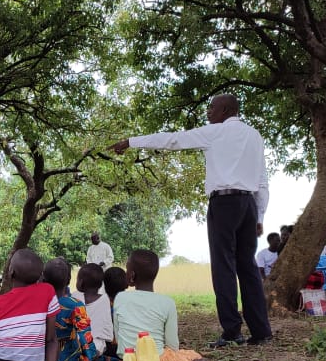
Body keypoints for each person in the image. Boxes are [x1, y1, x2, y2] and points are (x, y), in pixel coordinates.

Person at [111, 93, 272, 347]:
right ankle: (261, 331)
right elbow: (262, 180)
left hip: (223, 203)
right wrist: (260, 214)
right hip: (248, 204)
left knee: (224, 267)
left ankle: (232, 331)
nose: (208, 112)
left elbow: (173, 139)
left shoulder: (215, 132)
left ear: (225, 110)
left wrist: (131, 141)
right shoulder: (255, 136)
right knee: (248, 267)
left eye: (212, 107)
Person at [113, 249, 218, 361]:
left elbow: (118, 336)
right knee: (198, 359)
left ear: (131, 275)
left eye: (127, 269)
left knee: (163, 359)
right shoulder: (167, 302)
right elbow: (173, 345)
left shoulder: (120, 298)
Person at [44, 258, 111, 361]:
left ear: (43, 280)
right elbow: (86, 339)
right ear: (69, 280)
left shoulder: (38, 304)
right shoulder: (75, 305)